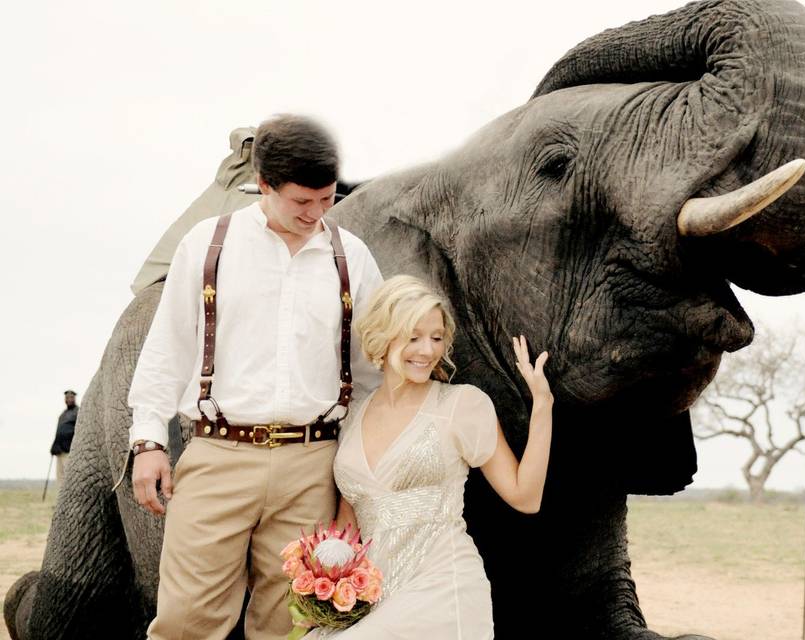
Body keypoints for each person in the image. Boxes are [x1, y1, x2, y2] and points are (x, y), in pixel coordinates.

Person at [127, 114, 383, 640]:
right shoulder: (208, 243)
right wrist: (148, 439)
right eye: (301, 202)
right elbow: (167, 347)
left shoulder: (350, 256)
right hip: (219, 455)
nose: (315, 215)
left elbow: (370, 375)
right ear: (263, 185)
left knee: (292, 621)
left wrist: (356, 475)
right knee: (184, 620)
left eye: (326, 201)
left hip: (314, 463)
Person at [306, 275, 553, 639]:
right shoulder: (354, 413)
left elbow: (526, 497)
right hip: (373, 594)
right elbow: (350, 520)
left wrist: (543, 405)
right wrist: (324, 588)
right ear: (383, 336)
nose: (427, 350)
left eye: (437, 338)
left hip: (443, 589)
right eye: (413, 336)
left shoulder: (462, 405)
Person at [50, 390, 79, 483]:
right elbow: (58, 432)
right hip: (60, 450)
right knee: (60, 477)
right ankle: (62, 497)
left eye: (71, 397)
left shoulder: (78, 412)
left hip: (70, 450)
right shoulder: (63, 414)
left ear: (74, 399)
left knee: (69, 477)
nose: (69, 399)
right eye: (67, 398)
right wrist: (54, 446)